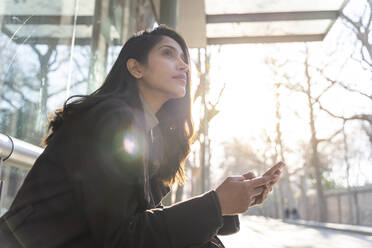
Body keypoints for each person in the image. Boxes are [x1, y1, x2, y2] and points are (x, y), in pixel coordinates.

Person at [0, 25, 282, 247]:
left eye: (184, 59)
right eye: (168, 54)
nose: (183, 66)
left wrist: (226, 206)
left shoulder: (146, 133)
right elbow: (123, 238)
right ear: (136, 68)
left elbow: (143, 223)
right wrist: (217, 204)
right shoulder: (111, 120)